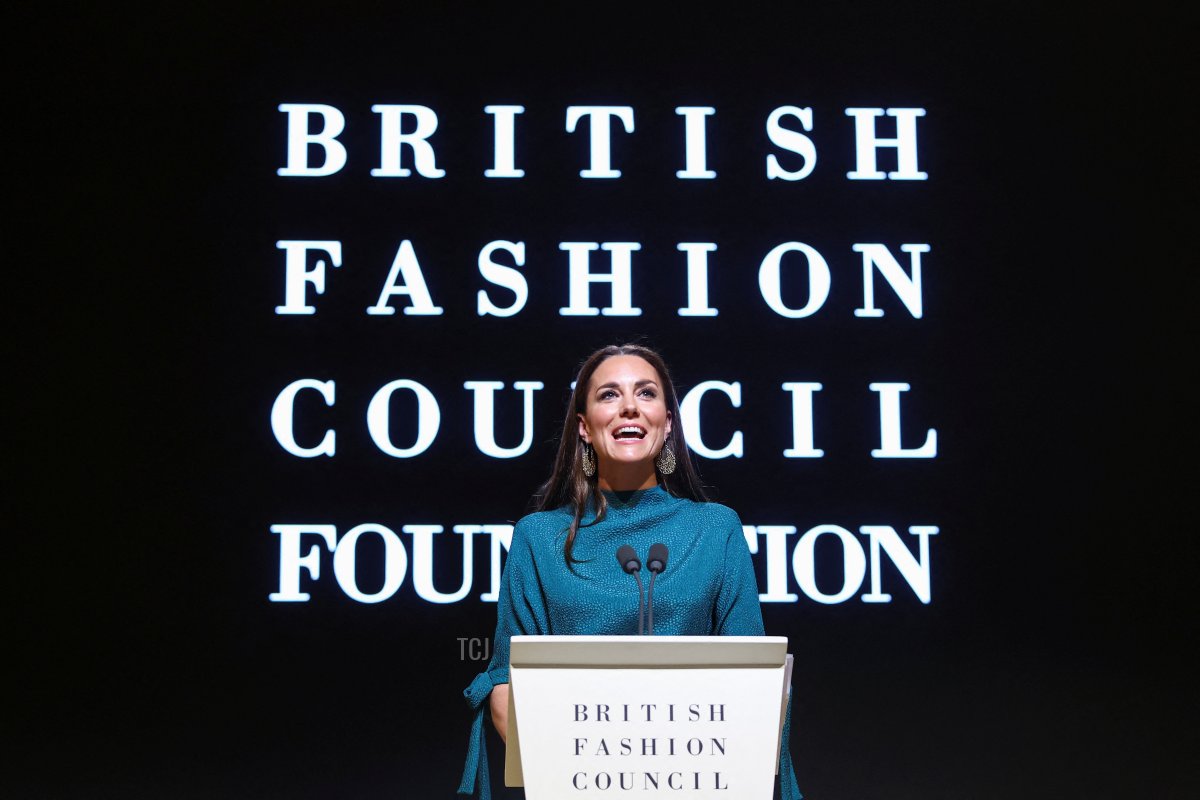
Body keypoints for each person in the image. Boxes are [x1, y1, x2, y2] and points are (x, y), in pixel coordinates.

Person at [457, 343, 802, 799]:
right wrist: (588, 773)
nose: (628, 408)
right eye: (608, 396)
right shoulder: (538, 538)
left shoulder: (716, 529)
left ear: (668, 421)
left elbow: (759, 679)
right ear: (584, 427)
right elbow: (505, 684)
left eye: (646, 393)